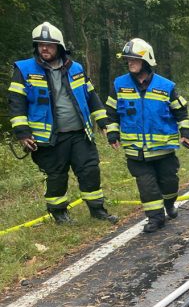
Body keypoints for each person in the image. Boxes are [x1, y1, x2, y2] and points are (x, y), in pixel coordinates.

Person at [7, 22, 117, 224]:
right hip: (49, 138)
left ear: (60, 46)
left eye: (49, 44)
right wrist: (22, 133)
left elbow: (91, 96)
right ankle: (59, 214)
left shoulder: (75, 68)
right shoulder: (24, 69)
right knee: (57, 176)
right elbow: (16, 102)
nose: (44, 48)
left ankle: (97, 210)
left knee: (90, 170)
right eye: (40, 44)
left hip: (80, 134)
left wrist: (103, 122)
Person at [105, 38, 189, 233]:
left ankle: (169, 203)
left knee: (169, 184)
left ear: (146, 61)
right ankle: (156, 218)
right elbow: (110, 112)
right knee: (147, 186)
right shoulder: (119, 84)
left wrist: (185, 132)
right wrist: (112, 133)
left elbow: (180, 111)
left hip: (164, 151)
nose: (130, 63)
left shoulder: (166, 86)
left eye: (134, 59)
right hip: (136, 153)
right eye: (128, 59)